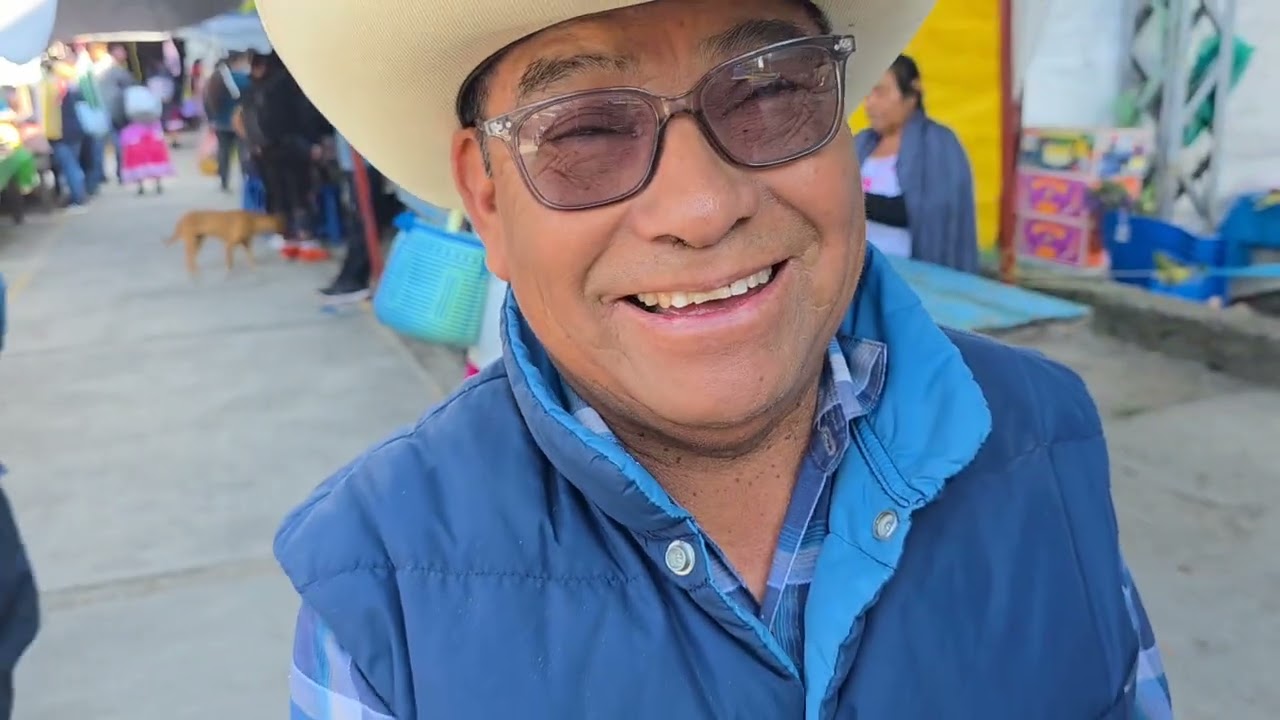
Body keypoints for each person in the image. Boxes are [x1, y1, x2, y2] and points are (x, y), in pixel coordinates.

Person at [261, 0, 1174, 717]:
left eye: (772, 91)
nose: (700, 207)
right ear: (487, 201)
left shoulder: (1046, 446)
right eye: (583, 131)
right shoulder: (382, 594)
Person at [855, 54, 979, 272]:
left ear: (910, 96)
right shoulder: (862, 143)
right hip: (860, 271)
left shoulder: (938, 144)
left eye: (880, 92)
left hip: (910, 276)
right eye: (868, 93)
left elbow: (931, 212)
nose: (870, 103)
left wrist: (850, 199)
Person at [239, 52, 331, 262]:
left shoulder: (253, 89)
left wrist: (254, 146)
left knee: (278, 195)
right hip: (293, 148)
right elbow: (305, 116)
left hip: (266, 152)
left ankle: (285, 238)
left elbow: (245, 120)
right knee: (301, 193)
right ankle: (306, 240)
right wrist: (313, 143)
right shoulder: (287, 84)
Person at [204, 54, 252, 193]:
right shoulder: (241, 78)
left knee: (223, 152)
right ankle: (245, 180)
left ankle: (224, 181)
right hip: (239, 122)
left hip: (220, 123)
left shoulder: (214, 80)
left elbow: (207, 102)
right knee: (242, 152)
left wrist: (211, 119)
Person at [90, 44, 135, 185]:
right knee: (118, 144)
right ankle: (121, 173)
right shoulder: (114, 68)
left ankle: (101, 175)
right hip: (115, 112)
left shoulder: (96, 68)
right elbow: (130, 84)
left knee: (101, 145)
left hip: (100, 112)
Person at [119, 84, 173, 194]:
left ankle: (140, 185)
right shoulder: (151, 100)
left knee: (137, 160)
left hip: (135, 136)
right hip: (152, 134)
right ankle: (158, 183)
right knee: (156, 159)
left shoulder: (128, 98)